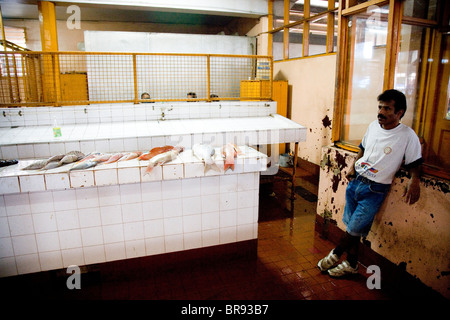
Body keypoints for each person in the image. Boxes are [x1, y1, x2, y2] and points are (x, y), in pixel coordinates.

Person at [318, 89, 423, 277]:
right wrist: (352, 167)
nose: (381, 112)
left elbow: (415, 162)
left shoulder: (407, 135)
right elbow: (363, 149)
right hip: (356, 182)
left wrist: (414, 181)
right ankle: (351, 265)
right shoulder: (374, 126)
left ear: (399, 113)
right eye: (380, 107)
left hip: (375, 189)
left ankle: (335, 254)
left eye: (387, 108)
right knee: (352, 227)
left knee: (354, 228)